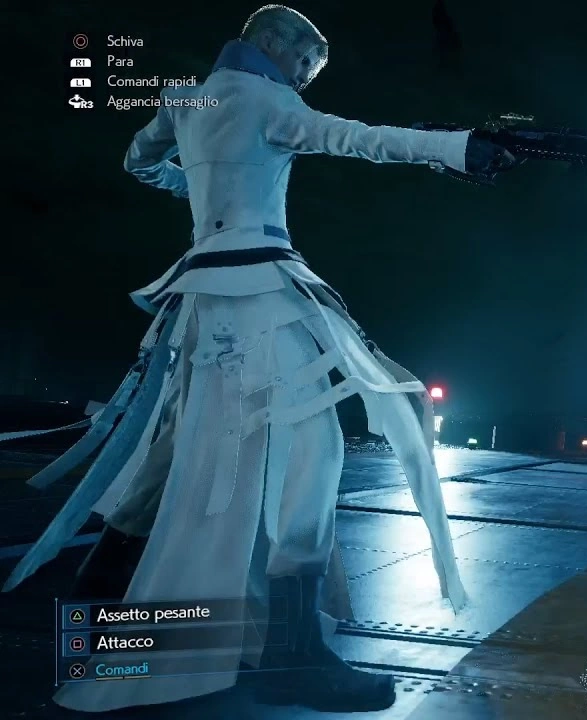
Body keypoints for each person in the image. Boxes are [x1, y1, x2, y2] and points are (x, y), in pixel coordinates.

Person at [2, 5, 512, 713]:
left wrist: (199, 189)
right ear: (270, 41)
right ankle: (293, 658)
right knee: (313, 454)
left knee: (174, 455)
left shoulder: (186, 99)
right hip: (260, 294)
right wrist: (455, 147)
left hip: (201, 298)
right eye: (303, 63)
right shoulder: (266, 99)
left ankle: (97, 610)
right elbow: (356, 138)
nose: (302, 79)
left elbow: (136, 160)